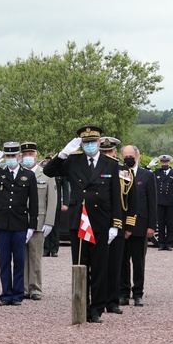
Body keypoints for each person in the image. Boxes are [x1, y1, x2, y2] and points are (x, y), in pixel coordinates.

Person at [43, 125, 123, 323]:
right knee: (80, 264)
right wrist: (63, 153)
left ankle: (96, 308)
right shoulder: (73, 161)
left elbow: (115, 196)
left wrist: (116, 224)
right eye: (85, 142)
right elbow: (48, 171)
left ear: (98, 142)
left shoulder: (111, 164)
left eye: (92, 142)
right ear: (81, 144)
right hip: (79, 221)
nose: (89, 146)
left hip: (101, 221)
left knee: (99, 268)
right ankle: (81, 304)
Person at [0, 142, 39, 306]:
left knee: (19, 261)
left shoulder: (28, 175)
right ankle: (6, 294)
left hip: (20, 223)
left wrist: (32, 225)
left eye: (13, 156)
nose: (11, 159)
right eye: (8, 156)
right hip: (2, 223)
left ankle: (18, 294)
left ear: (19, 157)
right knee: (4, 261)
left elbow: (33, 202)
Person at [119, 145, 156, 306]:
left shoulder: (147, 175)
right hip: (122, 225)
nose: (128, 158)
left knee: (138, 261)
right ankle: (123, 292)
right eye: (125, 155)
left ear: (137, 156)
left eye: (130, 155)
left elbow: (152, 202)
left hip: (140, 225)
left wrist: (151, 226)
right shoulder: (120, 174)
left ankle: (138, 292)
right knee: (122, 261)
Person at [21, 142, 57, 301]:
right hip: (20, 221)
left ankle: (35, 288)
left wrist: (49, 222)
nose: (28, 157)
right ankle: (22, 288)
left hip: (39, 222)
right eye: (25, 154)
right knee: (21, 258)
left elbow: (52, 200)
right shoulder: (18, 173)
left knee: (35, 258)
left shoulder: (46, 175)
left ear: (36, 155)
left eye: (31, 153)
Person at [100, 136, 126, 314]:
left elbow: (129, 200)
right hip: (99, 222)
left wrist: (127, 225)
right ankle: (98, 300)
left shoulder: (124, 171)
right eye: (104, 152)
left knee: (116, 265)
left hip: (118, 222)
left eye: (110, 151)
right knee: (98, 265)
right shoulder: (94, 169)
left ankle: (112, 301)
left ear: (115, 152)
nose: (107, 154)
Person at [153, 155, 173, 250]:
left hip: (170, 202)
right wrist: (149, 166)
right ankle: (161, 243)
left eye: (166, 162)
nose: (164, 164)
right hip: (160, 201)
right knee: (160, 223)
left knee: (170, 223)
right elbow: (146, 173)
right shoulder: (157, 172)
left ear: (169, 163)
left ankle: (169, 243)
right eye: (162, 162)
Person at [43, 153, 69, 257]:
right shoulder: (44, 171)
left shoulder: (60, 172)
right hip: (45, 203)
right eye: (48, 160)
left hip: (57, 203)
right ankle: (45, 249)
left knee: (55, 227)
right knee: (45, 226)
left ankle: (54, 249)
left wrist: (65, 203)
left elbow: (65, 189)